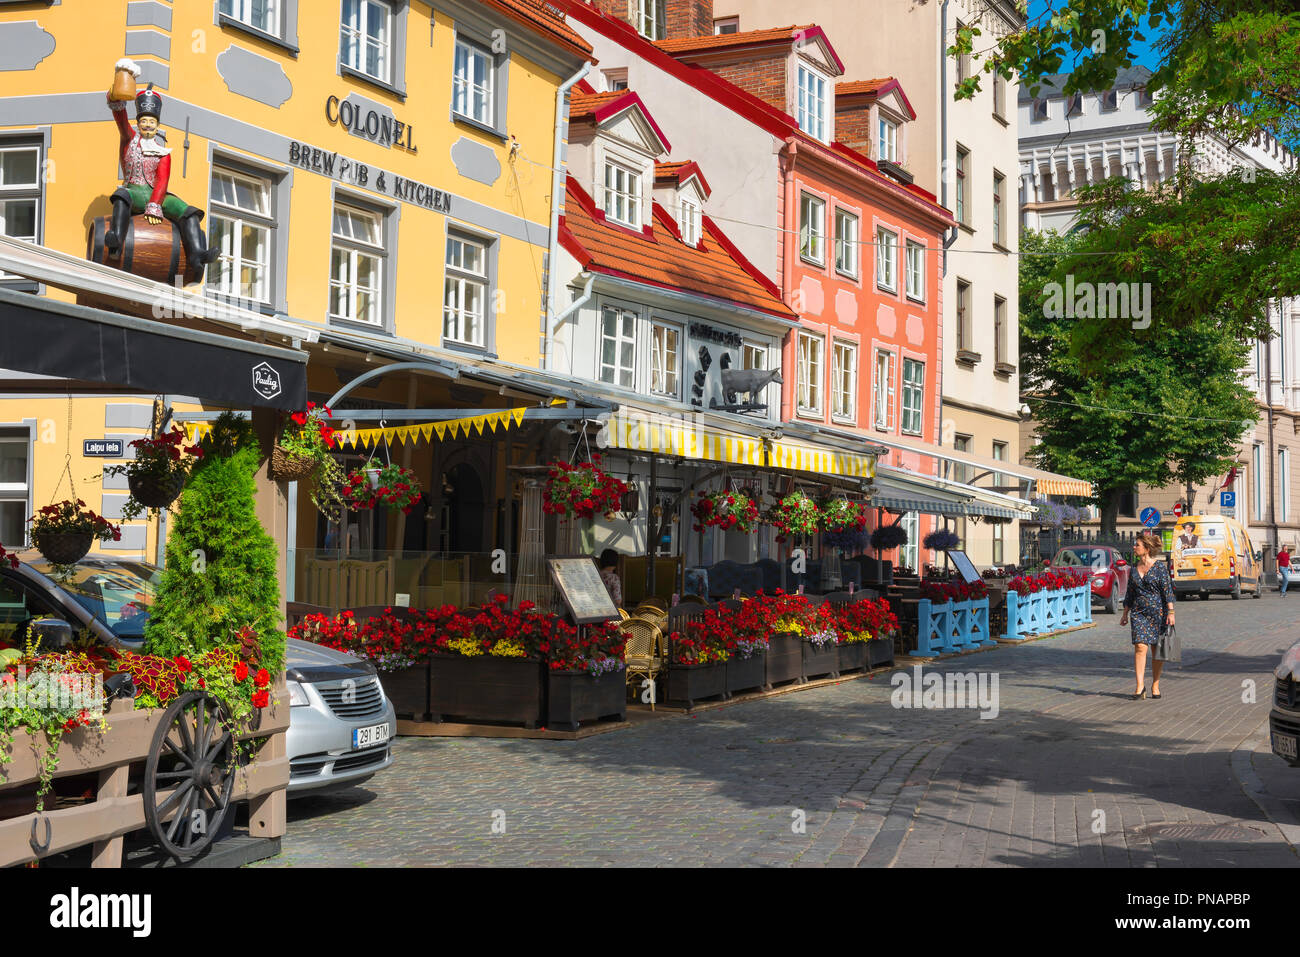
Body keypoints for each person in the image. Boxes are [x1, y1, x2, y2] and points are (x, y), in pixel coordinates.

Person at [105, 82, 218, 269]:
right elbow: (120, 117)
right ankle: (116, 241)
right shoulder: (129, 139)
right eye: (144, 121)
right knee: (121, 196)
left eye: (151, 122)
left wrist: (154, 205)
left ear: (157, 125)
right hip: (133, 190)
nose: (147, 125)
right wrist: (115, 96)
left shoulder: (163, 153)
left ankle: (197, 253)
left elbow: (162, 180)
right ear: (138, 123)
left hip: (157, 196)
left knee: (187, 211)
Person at [1119, 531, 1175, 699]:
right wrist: (1125, 613)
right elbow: (1130, 592)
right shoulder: (1134, 569)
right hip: (1138, 613)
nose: (1134, 547)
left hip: (1158, 613)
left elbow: (1167, 591)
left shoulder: (1159, 568)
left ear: (1147, 549)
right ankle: (1139, 687)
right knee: (1140, 647)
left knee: (1157, 649)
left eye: (1137, 545)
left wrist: (1171, 612)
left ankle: (1155, 684)